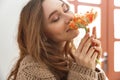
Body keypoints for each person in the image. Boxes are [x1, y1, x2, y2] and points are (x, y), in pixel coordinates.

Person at [7, 0, 108, 80]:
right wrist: (83, 70)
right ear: (42, 34)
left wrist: (92, 66)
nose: (69, 17)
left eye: (66, 9)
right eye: (56, 18)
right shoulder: (31, 70)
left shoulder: (71, 58)